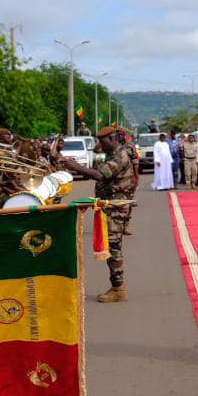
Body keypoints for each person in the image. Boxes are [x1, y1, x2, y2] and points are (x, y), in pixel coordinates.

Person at [61, 126, 138, 302]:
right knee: (111, 247)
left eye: (102, 141)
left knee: (113, 248)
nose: (99, 145)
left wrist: (76, 167)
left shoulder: (120, 155)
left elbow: (98, 175)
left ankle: (118, 289)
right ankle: (117, 286)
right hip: (109, 207)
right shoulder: (113, 152)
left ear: (112, 140)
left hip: (115, 209)